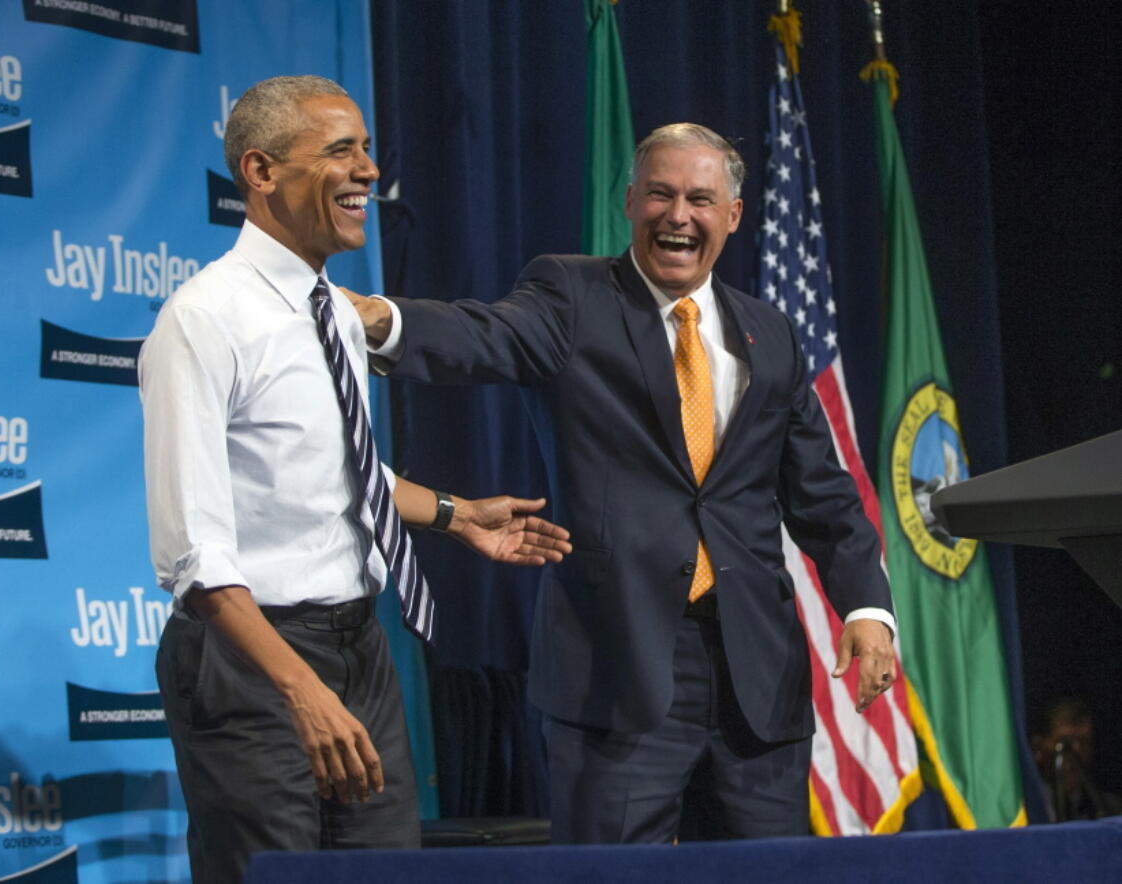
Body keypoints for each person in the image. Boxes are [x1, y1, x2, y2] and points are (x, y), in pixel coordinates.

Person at [346, 123, 897, 843]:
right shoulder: (571, 297)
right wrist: (377, 320)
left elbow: (822, 494)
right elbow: (484, 335)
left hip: (756, 682)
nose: (679, 215)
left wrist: (865, 608)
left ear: (732, 215)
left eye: (701, 199)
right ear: (631, 201)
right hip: (618, 675)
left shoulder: (772, 333)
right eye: (661, 195)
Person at [138, 75, 571, 883]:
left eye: (367, 148)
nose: (369, 170)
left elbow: (341, 471)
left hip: (359, 650)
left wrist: (455, 515)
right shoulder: (202, 322)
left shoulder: (335, 310)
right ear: (262, 171)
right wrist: (300, 692)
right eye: (341, 150)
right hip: (251, 660)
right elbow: (195, 558)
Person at [1031, 697, 1122, 822]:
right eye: (1065, 742)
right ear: (1038, 747)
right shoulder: (1021, 812)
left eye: (1084, 742)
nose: (1076, 751)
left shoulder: (1112, 811)